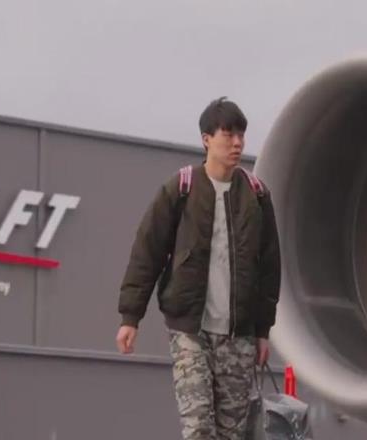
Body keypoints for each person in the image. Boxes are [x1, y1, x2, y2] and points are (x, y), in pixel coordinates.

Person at [116, 97, 281, 440]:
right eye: (228, 134)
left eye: (241, 135)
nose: (237, 143)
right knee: (198, 429)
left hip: (239, 336)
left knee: (231, 434)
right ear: (207, 139)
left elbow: (270, 268)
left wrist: (263, 330)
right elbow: (147, 251)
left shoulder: (257, 195)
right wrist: (131, 317)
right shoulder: (181, 188)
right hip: (191, 331)